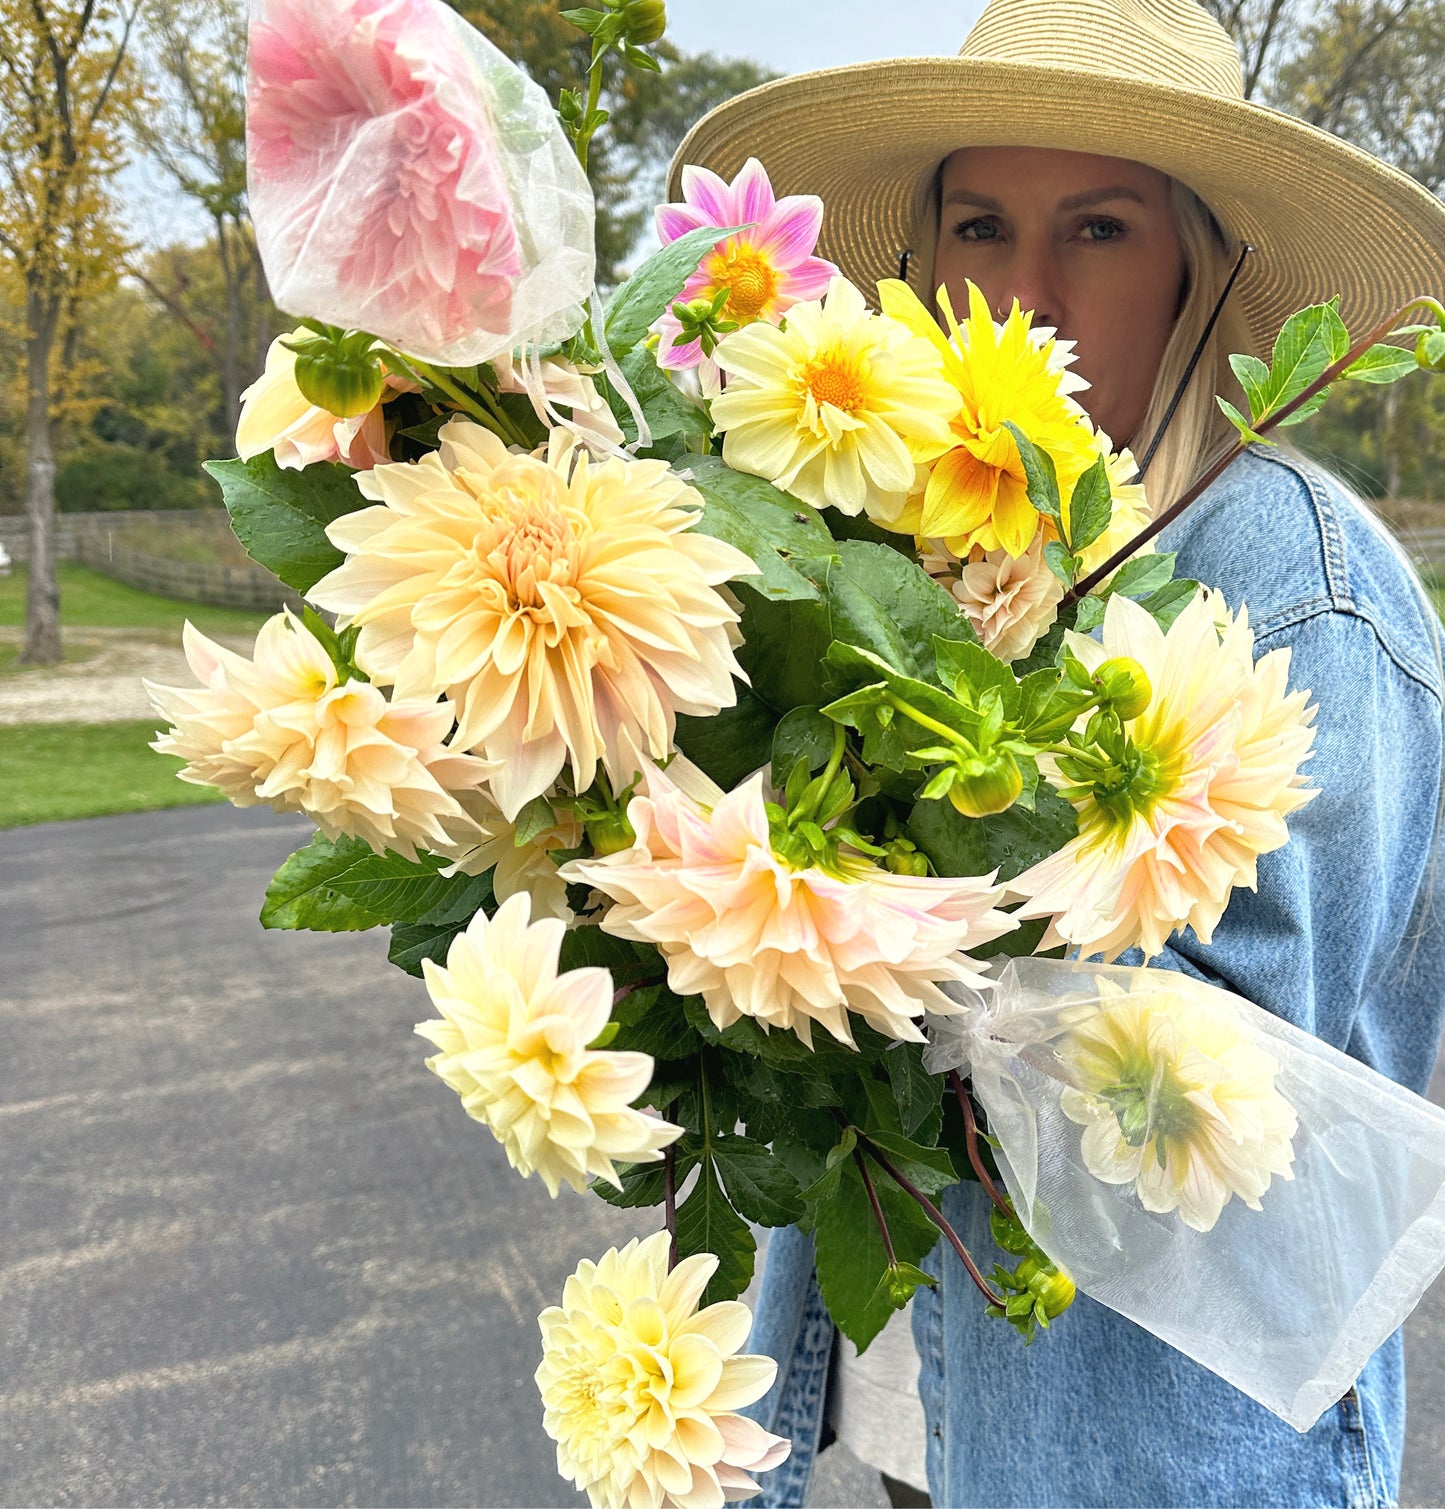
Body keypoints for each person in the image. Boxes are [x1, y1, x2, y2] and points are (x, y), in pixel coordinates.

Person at [666, 0, 1445, 1505]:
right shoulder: (889, 555)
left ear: (1200, 268)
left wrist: (847, 928)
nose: (1022, 294)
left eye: (1095, 229)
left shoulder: (1294, 586)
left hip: (1155, 1451)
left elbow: (1209, 1119)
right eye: (979, 226)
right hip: (940, 1411)